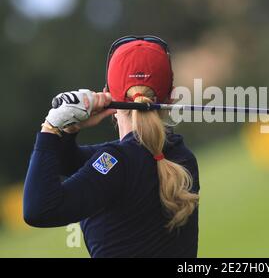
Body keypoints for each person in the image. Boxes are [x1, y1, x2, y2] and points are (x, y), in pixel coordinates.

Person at [23, 36, 200, 258]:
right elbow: (73, 163)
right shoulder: (182, 157)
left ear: (108, 93)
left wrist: (51, 127)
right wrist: (69, 130)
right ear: (172, 97)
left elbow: (38, 210)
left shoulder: (116, 162)